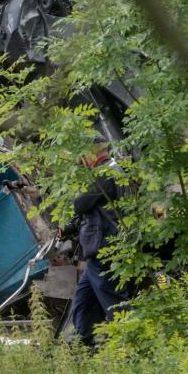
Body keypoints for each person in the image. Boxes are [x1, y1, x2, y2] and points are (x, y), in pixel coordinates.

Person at [68, 145, 132, 347]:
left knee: (114, 301)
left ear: (93, 153)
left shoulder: (103, 174)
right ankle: (82, 343)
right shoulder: (115, 169)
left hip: (104, 248)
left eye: (84, 155)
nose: (83, 160)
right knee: (83, 299)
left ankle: (134, 344)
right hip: (105, 246)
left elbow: (79, 204)